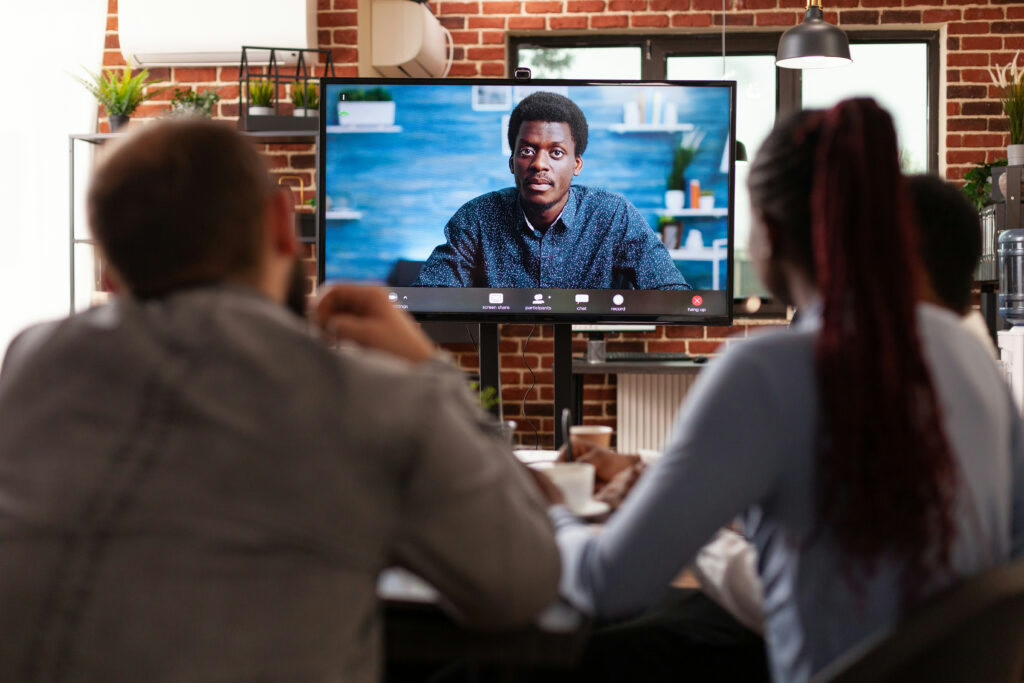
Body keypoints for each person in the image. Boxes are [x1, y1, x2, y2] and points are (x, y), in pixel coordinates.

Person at [0, 118, 561, 683]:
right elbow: (524, 583)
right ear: (281, 224)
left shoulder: (30, 361)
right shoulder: (375, 401)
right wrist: (430, 373)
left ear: (110, 273)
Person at [533, 98, 1024, 682]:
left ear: (767, 230)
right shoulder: (970, 356)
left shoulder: (765, 369)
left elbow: (608, 585)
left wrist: (554, 512)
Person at [414, 91, 691, 290]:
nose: (539, 164)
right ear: (512, 162)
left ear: (577, 164)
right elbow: (429, 294)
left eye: (556, 152)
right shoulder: (477, 217)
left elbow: (672, 292)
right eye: (527, 151)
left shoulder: (613, 215)